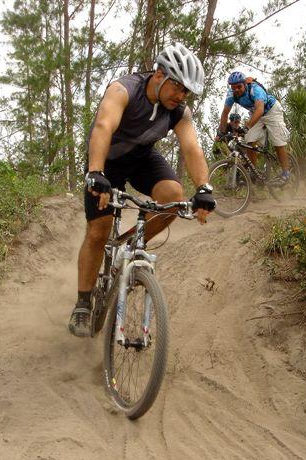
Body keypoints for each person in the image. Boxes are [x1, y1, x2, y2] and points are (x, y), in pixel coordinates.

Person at [69, 43, 216, 337]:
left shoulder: (178, 111)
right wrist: (95, 172)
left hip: (141, 159)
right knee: (98, 232)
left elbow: (191, 147)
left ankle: (132, 246)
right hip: (107, 159)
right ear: (160, 75)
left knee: (174, 198)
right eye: (177, 87)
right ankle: (83, 303)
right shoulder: (124, 90)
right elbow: (103, 127)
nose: (181, 96)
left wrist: (204, 188)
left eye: (187, 92)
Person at [218, 71, 291, 183]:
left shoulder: (255, 89)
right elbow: (225, 113)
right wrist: (221, 132)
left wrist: (247, 127)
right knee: (249, 141)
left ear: (245, 84)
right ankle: (254, 173)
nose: (236, 90)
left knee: (278, 142)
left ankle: (286, 173)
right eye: (233, 87)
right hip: (255, 114)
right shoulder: (231, 94)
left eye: (239, 87)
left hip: (271, 111)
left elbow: (260, 110)